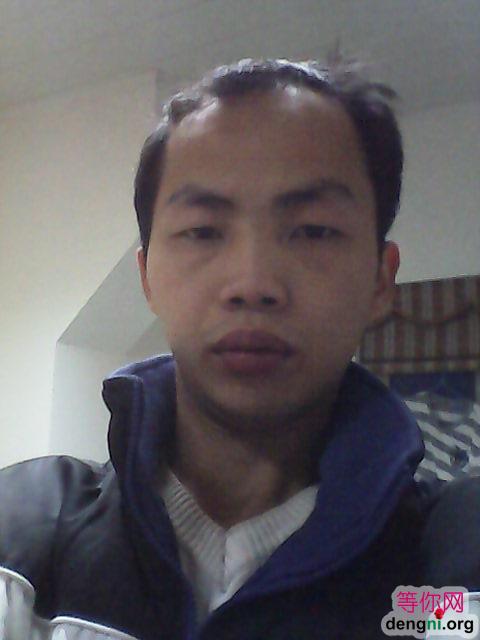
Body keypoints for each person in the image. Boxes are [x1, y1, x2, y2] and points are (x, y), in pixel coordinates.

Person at [1, 57, 479, 640]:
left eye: (314, 230)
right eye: (203, 231)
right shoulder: (20, 537)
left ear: (381, 279)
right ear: (148, 277)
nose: (252, 283)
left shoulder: (456, 571)